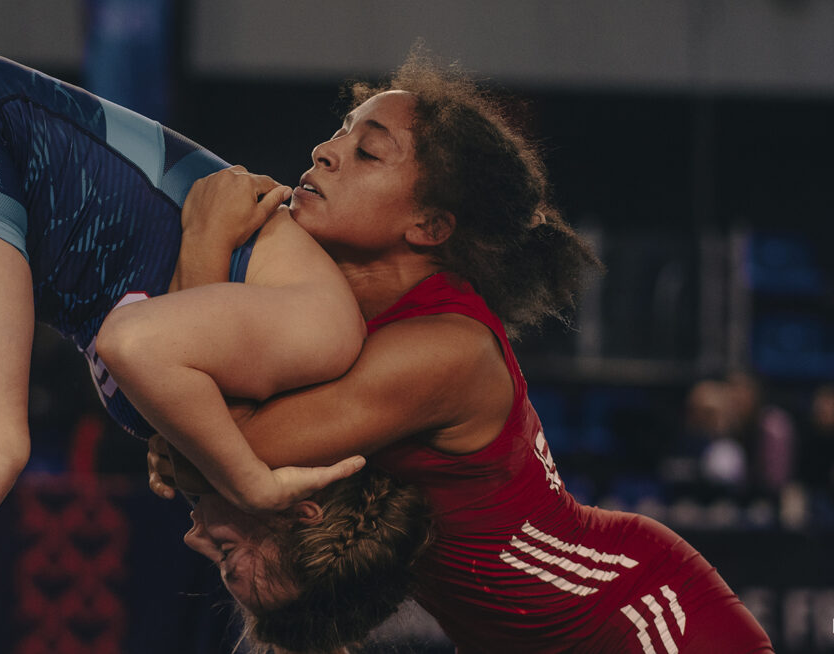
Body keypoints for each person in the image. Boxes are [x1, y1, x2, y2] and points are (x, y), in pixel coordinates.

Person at [148, 51, 776, 653]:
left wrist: (203, 244)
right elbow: (207, 440)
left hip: (638, 618)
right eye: (339, 133)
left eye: (367, 151)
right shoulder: (327, 305)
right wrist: (193, 438)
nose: (324, 152)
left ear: (428, 227)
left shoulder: (447, 351)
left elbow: (213, 451)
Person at [0, 47, 369, 654]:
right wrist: (246, 482)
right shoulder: (321, 338)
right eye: (229, 553)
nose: (195, 544)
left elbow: (167, 330)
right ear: (297, 513)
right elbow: (131, 340)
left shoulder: (231, 423)